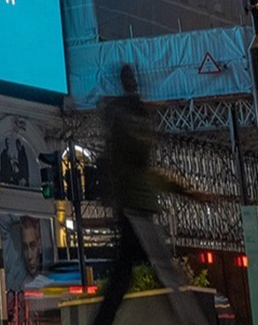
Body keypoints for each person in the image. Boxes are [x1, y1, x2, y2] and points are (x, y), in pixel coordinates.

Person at [88, 65, 212, 325]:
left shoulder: (124, 118)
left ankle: (102, 321)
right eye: (130, 79)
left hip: (132, 205)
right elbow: (141, 159)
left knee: (125, 274)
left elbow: (143, 168)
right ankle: (192, 320)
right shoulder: (128, 120)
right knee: (163, 268)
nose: (133, 82)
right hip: (136, 207)